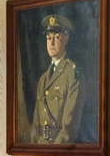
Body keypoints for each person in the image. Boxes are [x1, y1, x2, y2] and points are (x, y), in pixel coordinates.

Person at [32, 14, 85, 144]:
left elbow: (69, 128)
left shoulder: (73, 73)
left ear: (66, 39)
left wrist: (52, 152)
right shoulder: (43, 79)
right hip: (40, 148)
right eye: (48, 38)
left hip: (60, 149)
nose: (52, 42)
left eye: (56, 37)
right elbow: (36, 126)